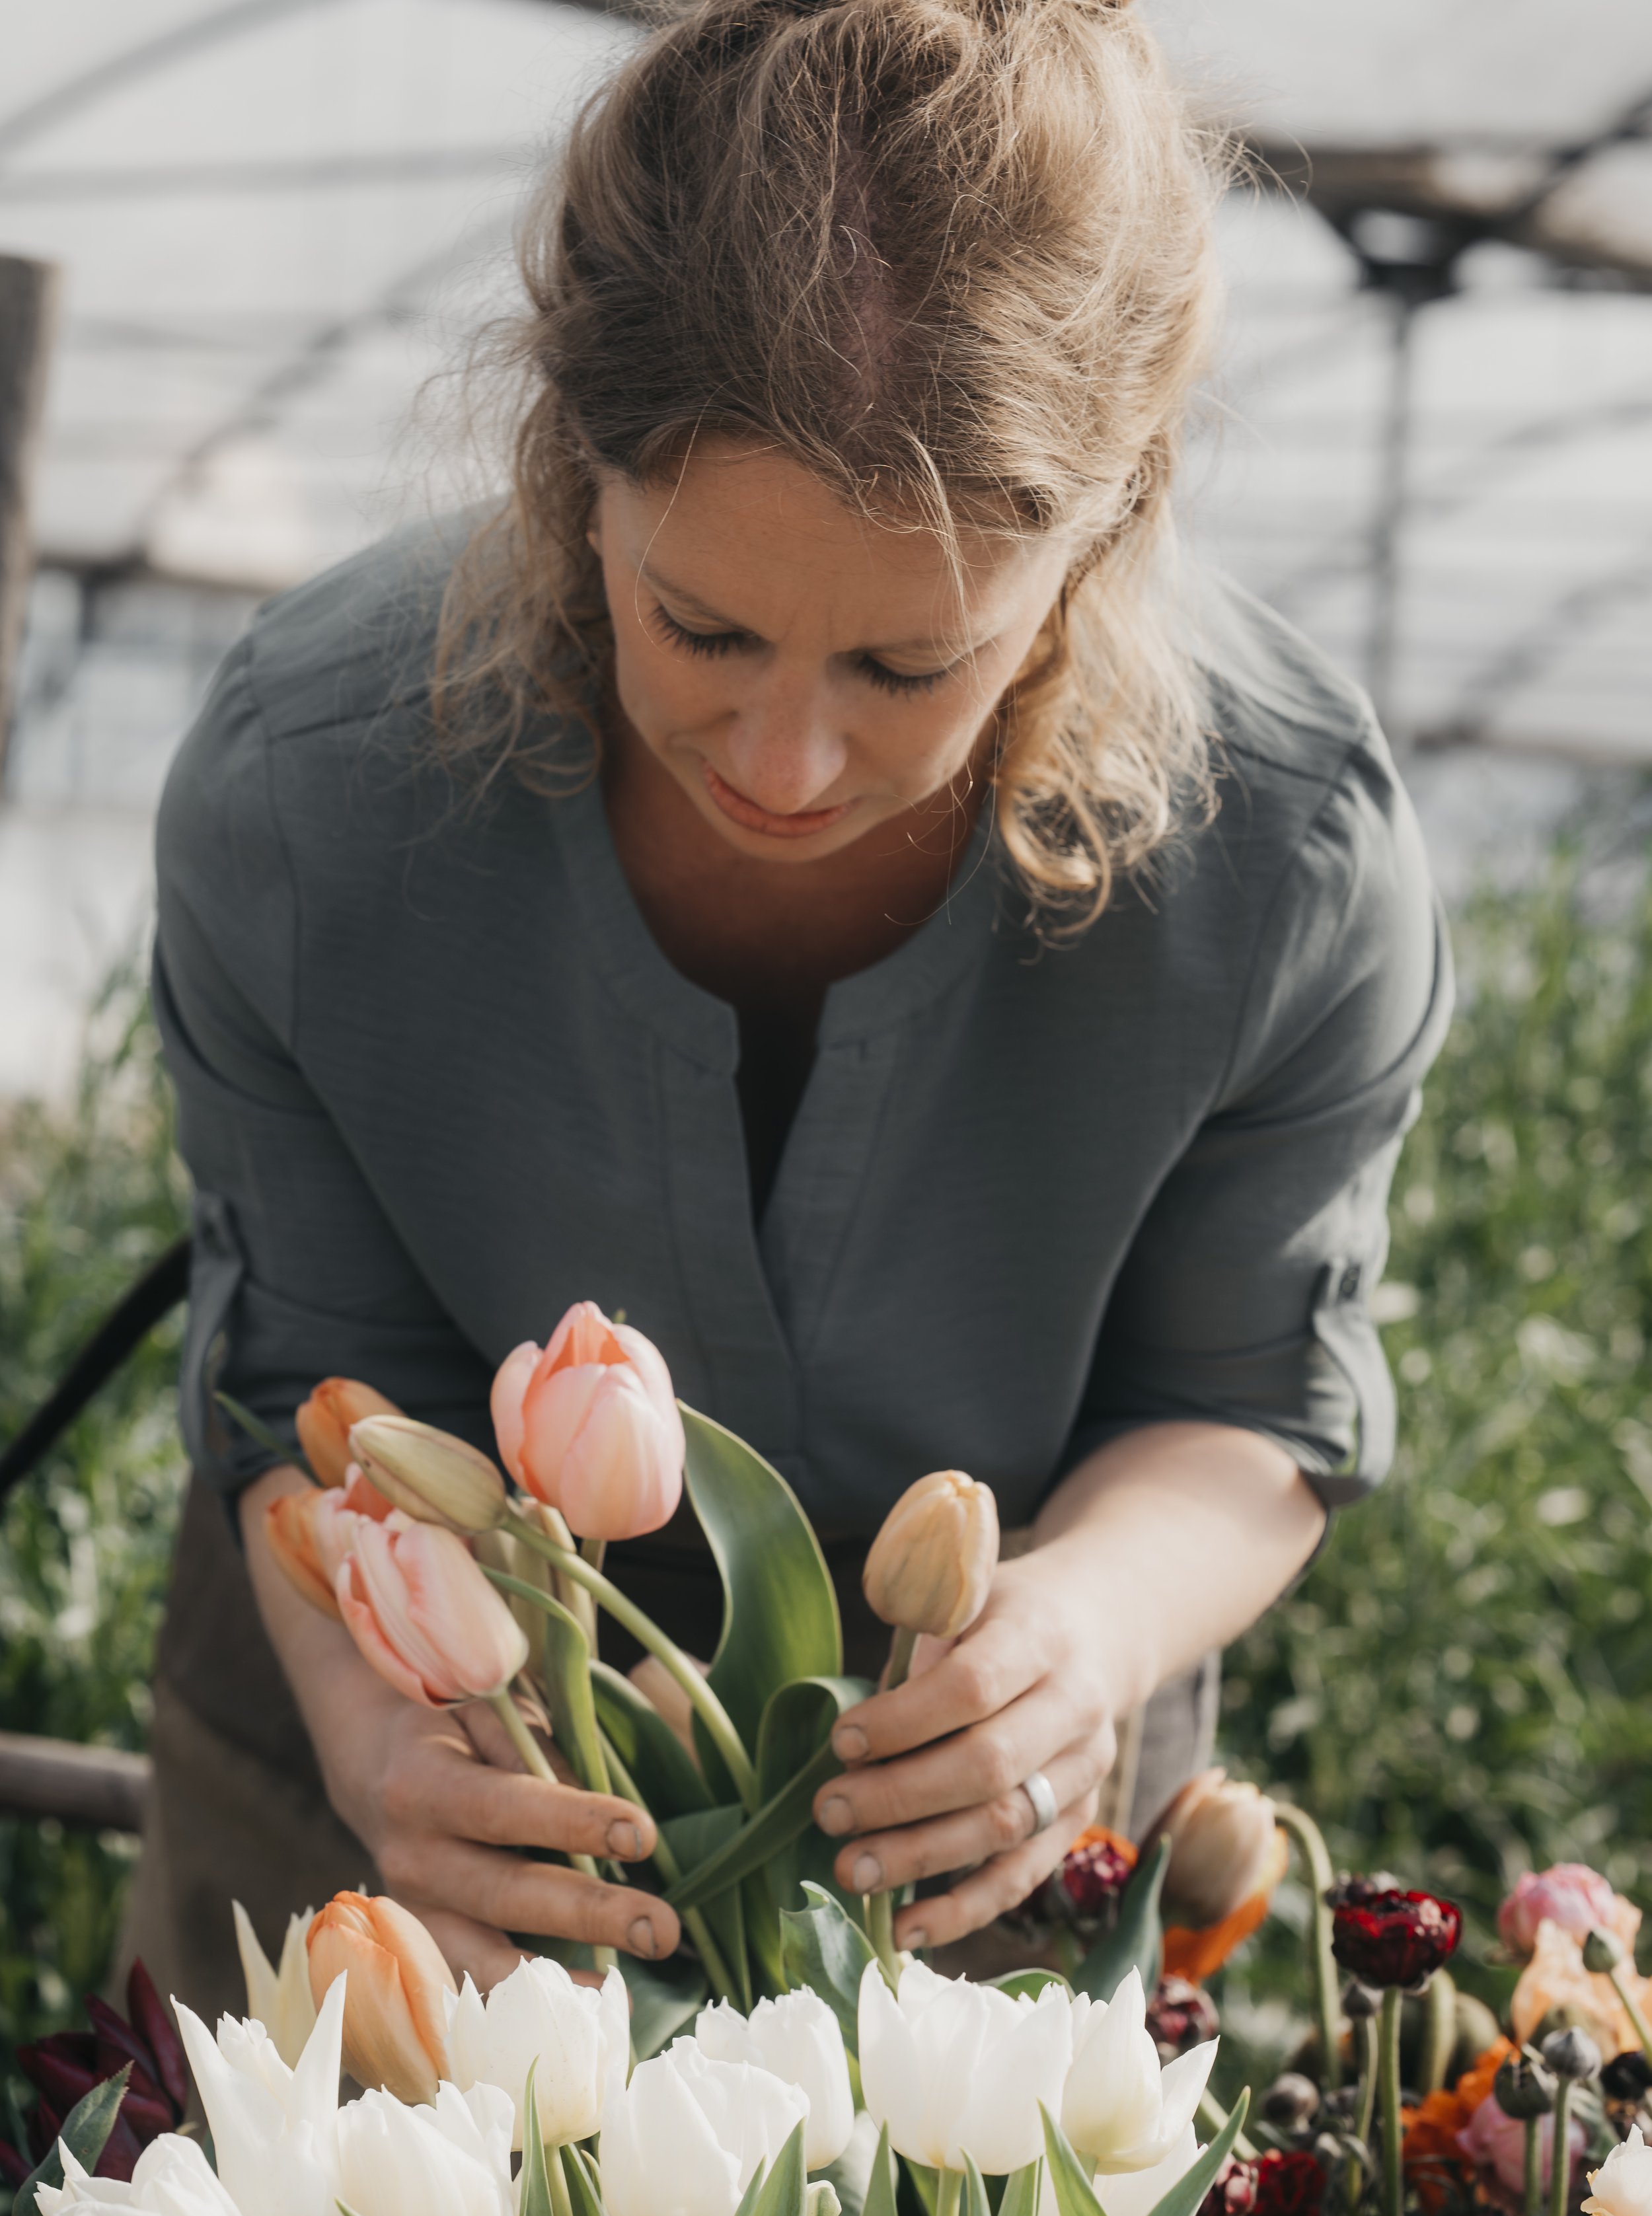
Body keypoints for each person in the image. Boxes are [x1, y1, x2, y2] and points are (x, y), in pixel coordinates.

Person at [120, 0, 1450, 2020]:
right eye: (702, 623)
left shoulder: (1284, 856)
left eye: (912, 668)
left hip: (966, 1800)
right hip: (411, 1770)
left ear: (1106, 529)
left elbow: (1251, 1397)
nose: (789, 760)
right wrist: (389, 1736)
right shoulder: (314, 790)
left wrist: (1078, 1633)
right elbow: (306, 1377)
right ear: (573, 462)